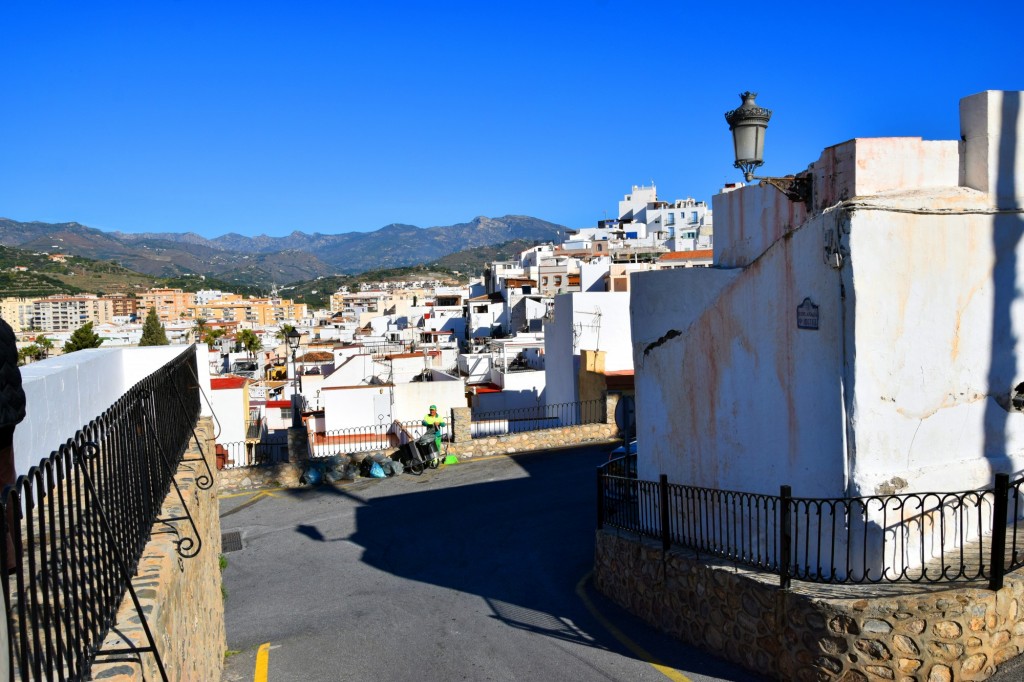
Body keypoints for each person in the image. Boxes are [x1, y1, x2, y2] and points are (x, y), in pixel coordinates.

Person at [1, 317, 26, 570]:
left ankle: (6, 557)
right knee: (6, 484)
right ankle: (12, 555)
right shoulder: (4, 328)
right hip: (8, 416)